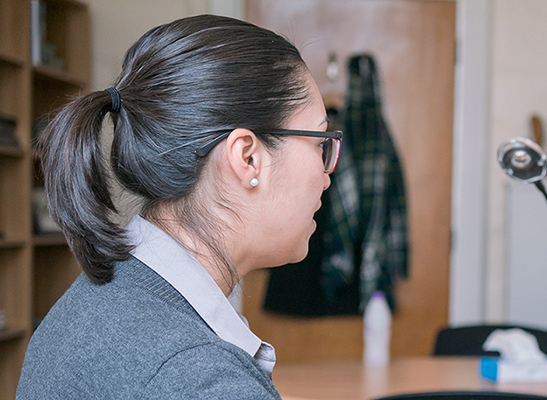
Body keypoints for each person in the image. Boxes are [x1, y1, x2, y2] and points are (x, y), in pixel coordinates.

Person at [18, 15, 338, 398]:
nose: (326, 175)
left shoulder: (97, 301)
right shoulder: (197, 375)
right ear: (248, 158)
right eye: (321, 143)